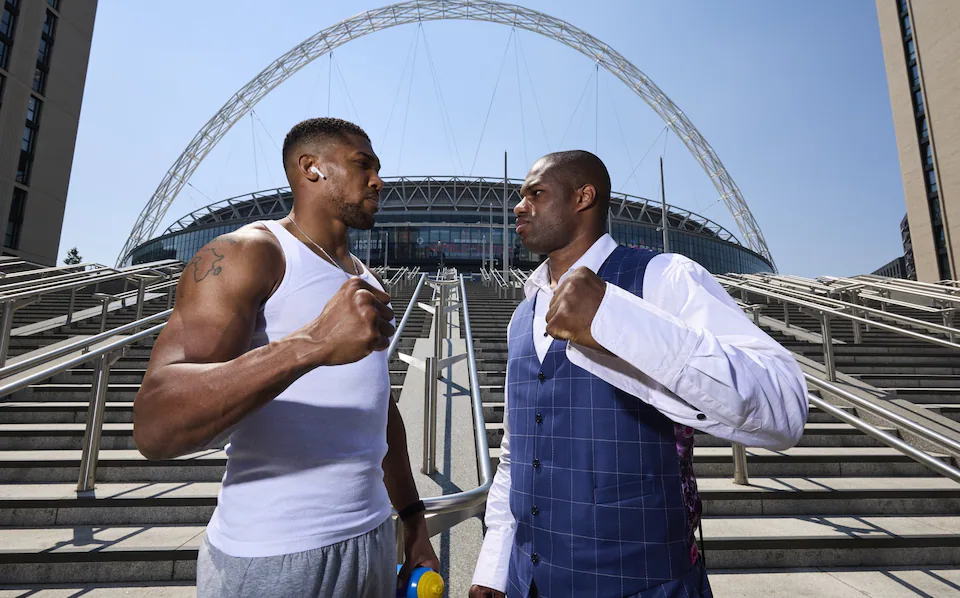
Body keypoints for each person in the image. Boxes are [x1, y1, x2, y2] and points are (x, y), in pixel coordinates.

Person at [469, 151, 808, 598]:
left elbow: (783, 406)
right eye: (520, 196)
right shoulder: (520, 316)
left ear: (583, 197)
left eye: (536, 193)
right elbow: (518, 449)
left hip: (645, 583)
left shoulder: (663, 278)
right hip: (527, 583)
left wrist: (614, 319)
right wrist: (494, 567)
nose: (519, 205)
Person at [133, 117, 439, 597]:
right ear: (311, 168)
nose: (379, 180)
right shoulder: (248, 254)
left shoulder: (367, 280)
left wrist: (413, 521)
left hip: (374, 539)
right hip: (272, 555)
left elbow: (379, 410)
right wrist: (312, 342)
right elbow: (155, 425)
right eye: (364, 165)